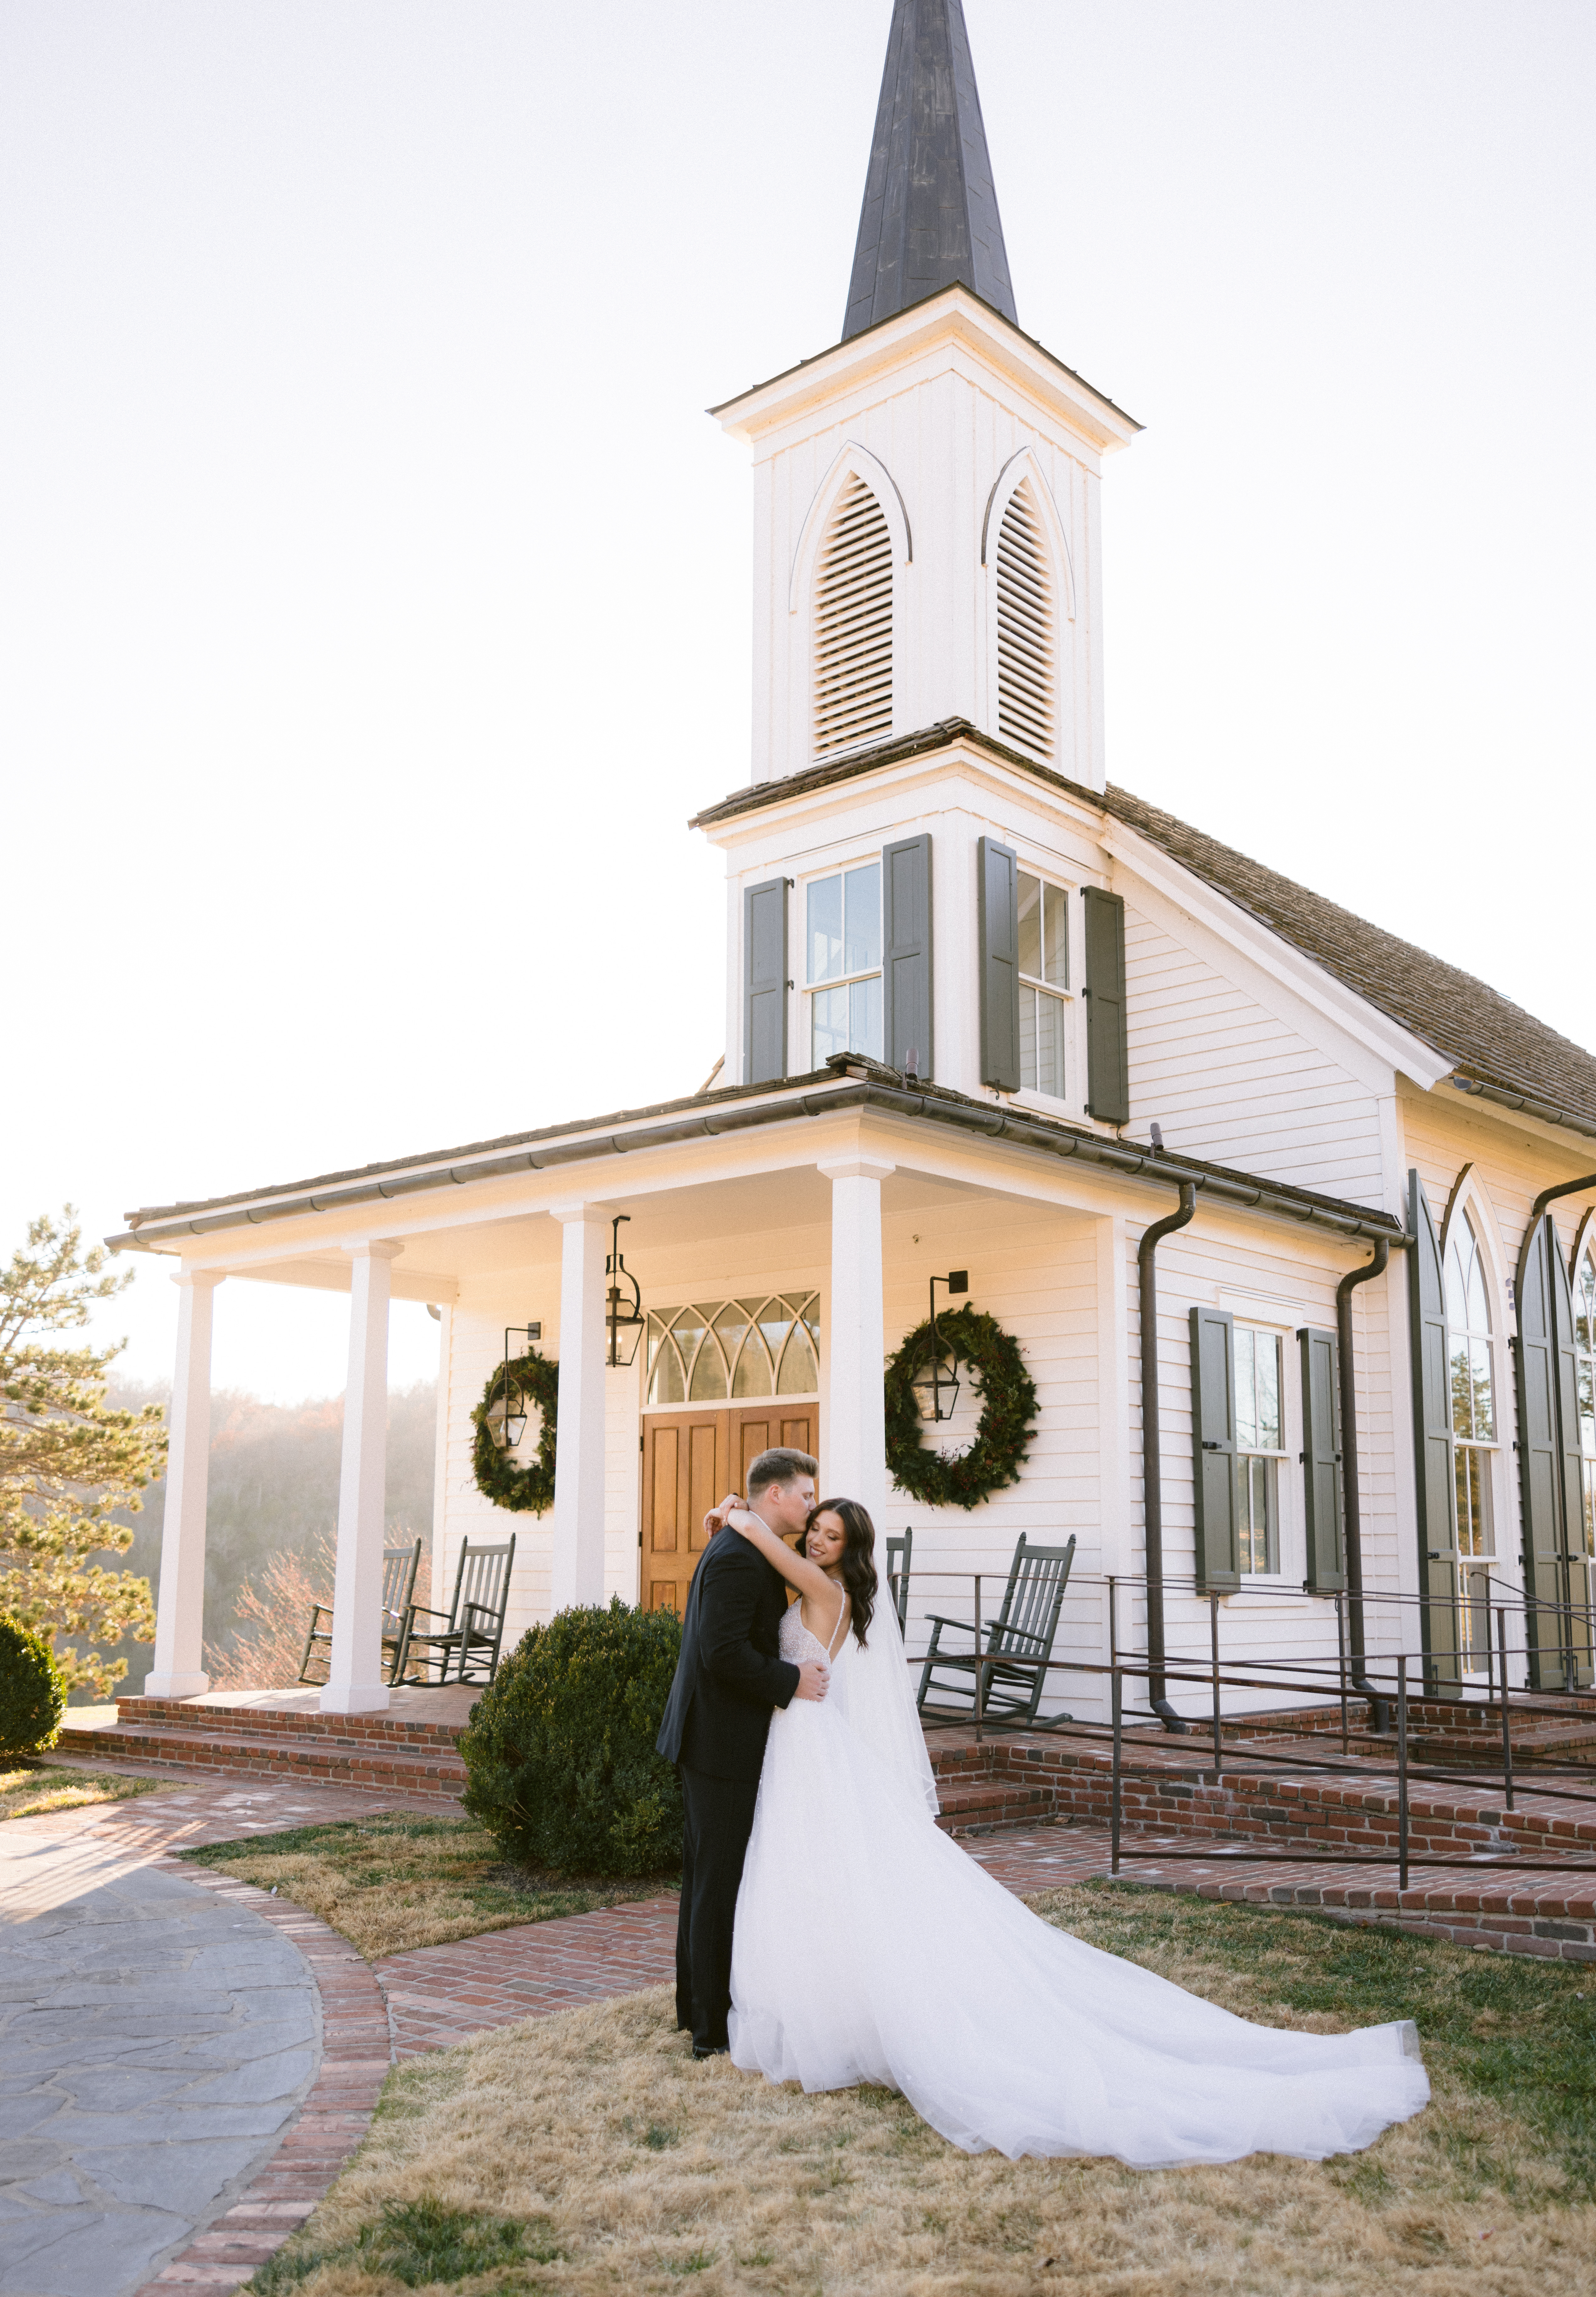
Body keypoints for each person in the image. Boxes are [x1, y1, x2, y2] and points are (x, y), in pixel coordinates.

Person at [706, 1491, 1432, 2171]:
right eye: (818, 1529)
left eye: (833, 1535)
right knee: (807, 1873)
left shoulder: (827, 1591)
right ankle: (824, 2010)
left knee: (826, 1866)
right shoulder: (808, 1586)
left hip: (809, 1739)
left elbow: (776, 1552)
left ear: (848, 1550)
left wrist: (739, 1516)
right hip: (801, 1740)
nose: (820, 1539)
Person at [654, 1447, 830, 2058]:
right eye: (806, 1494)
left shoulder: (741, 1541)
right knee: (717, 1882)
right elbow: (720, 1652)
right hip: (719, 1740)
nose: (811, 1505)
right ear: (775, 1495)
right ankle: (709, 2031)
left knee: (709, 1877)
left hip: (714, 1735)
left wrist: (732, 1510)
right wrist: (791, 1681)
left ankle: (697, 2009)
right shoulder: (736, 1557)